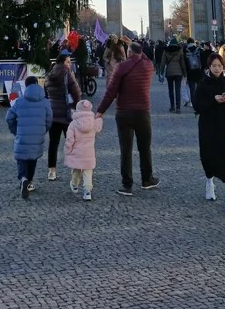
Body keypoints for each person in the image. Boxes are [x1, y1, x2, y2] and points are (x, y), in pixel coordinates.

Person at [96, 41, 159, 196]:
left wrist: (100, 111)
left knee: (126, 150)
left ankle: (127, 185)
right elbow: (143, 56)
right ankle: (147, 179)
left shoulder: (121, 67)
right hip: (142, 112)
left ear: (129, 52)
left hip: (124, 113)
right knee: (145, 148)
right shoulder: (148, 66)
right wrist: (135, 49)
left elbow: (111, 92)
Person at [193, 52, 225, 212]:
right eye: (214, 65)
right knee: (208, 157)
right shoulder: (202, 84)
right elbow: (197, 106)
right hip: (208, 126)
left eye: (219, 66)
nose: (216, 68)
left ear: (223, 67)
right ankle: (209, 181)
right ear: (209, 66)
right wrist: (213, 100)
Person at [5, 75, 53, 200]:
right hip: (38, 136)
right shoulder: (45, 102)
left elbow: (9, 117)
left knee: (21, 159)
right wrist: (43, 130)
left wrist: (15, 130)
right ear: (38, 84)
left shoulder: (19, 102)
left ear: (25, 86)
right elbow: (49, 119)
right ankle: (30, 181)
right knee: (33, 158)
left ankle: (23, 178)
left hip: (22, 135)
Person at [43, 51, 81, 181]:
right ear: (62, 63)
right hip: (66, 113)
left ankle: (52, 171)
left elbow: (45, 92)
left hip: (53, 113)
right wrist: (77, 106)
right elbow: (76, 92)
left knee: (53, 143)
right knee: (71, 142)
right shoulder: (67, 74)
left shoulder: (49, 74)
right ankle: (74, 169)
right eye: (68, 62)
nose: (70, 64)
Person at [64, 99, 103, 201]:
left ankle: (74, 184)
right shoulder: (93, 122)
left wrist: (68, 149)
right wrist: (99, 119)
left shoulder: (73, 124)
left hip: (76, 152)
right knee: (88, 171)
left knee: (76, 169)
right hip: (89, 153)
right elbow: (98, 127)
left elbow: (69, 139)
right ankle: (87, 191)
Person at [161, 37, 187, 113]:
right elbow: (182, 63)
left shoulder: (166, 51)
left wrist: (161, 72)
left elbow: (162, 63)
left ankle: (172, 106)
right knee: (177, 90)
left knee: (171, 90)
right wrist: (185, 73)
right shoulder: (180, 51)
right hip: (178, 73)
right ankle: (178, 107)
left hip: (169, 73)